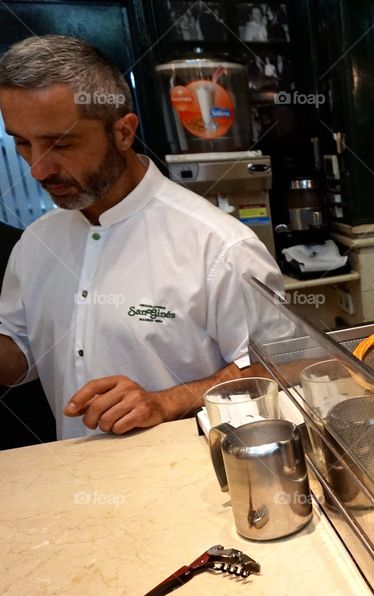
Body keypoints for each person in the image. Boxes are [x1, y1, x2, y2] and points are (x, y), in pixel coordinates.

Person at [0, 35, 284, 440]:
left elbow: (275, 367)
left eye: (61, 144)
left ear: (123, 132)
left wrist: (166, 401)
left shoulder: (220, 246)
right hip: (69, 479)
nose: (38, 170)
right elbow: (20, 357)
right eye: (22, 143)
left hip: (187, 481)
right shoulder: (34, 243)